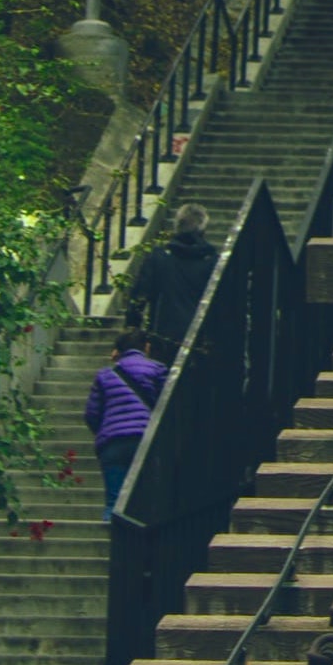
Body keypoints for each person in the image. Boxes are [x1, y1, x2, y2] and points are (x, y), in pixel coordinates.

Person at [84, 329, 166, 519]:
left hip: (112, 443)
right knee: (147, 500)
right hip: (145, 439)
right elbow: (165, 405)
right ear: (146, 347)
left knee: (114, 501)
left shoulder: (105, 374)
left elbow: (91, 413)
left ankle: (107, 546)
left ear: (119, 350)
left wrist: (105, 431)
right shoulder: (157, 369)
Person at [129, 202, 218, 364]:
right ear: (203, 229)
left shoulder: (158, 258)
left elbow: (139, 298)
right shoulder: (213, 262)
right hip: (201, 341)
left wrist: (132, 332)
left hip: (162, 337)